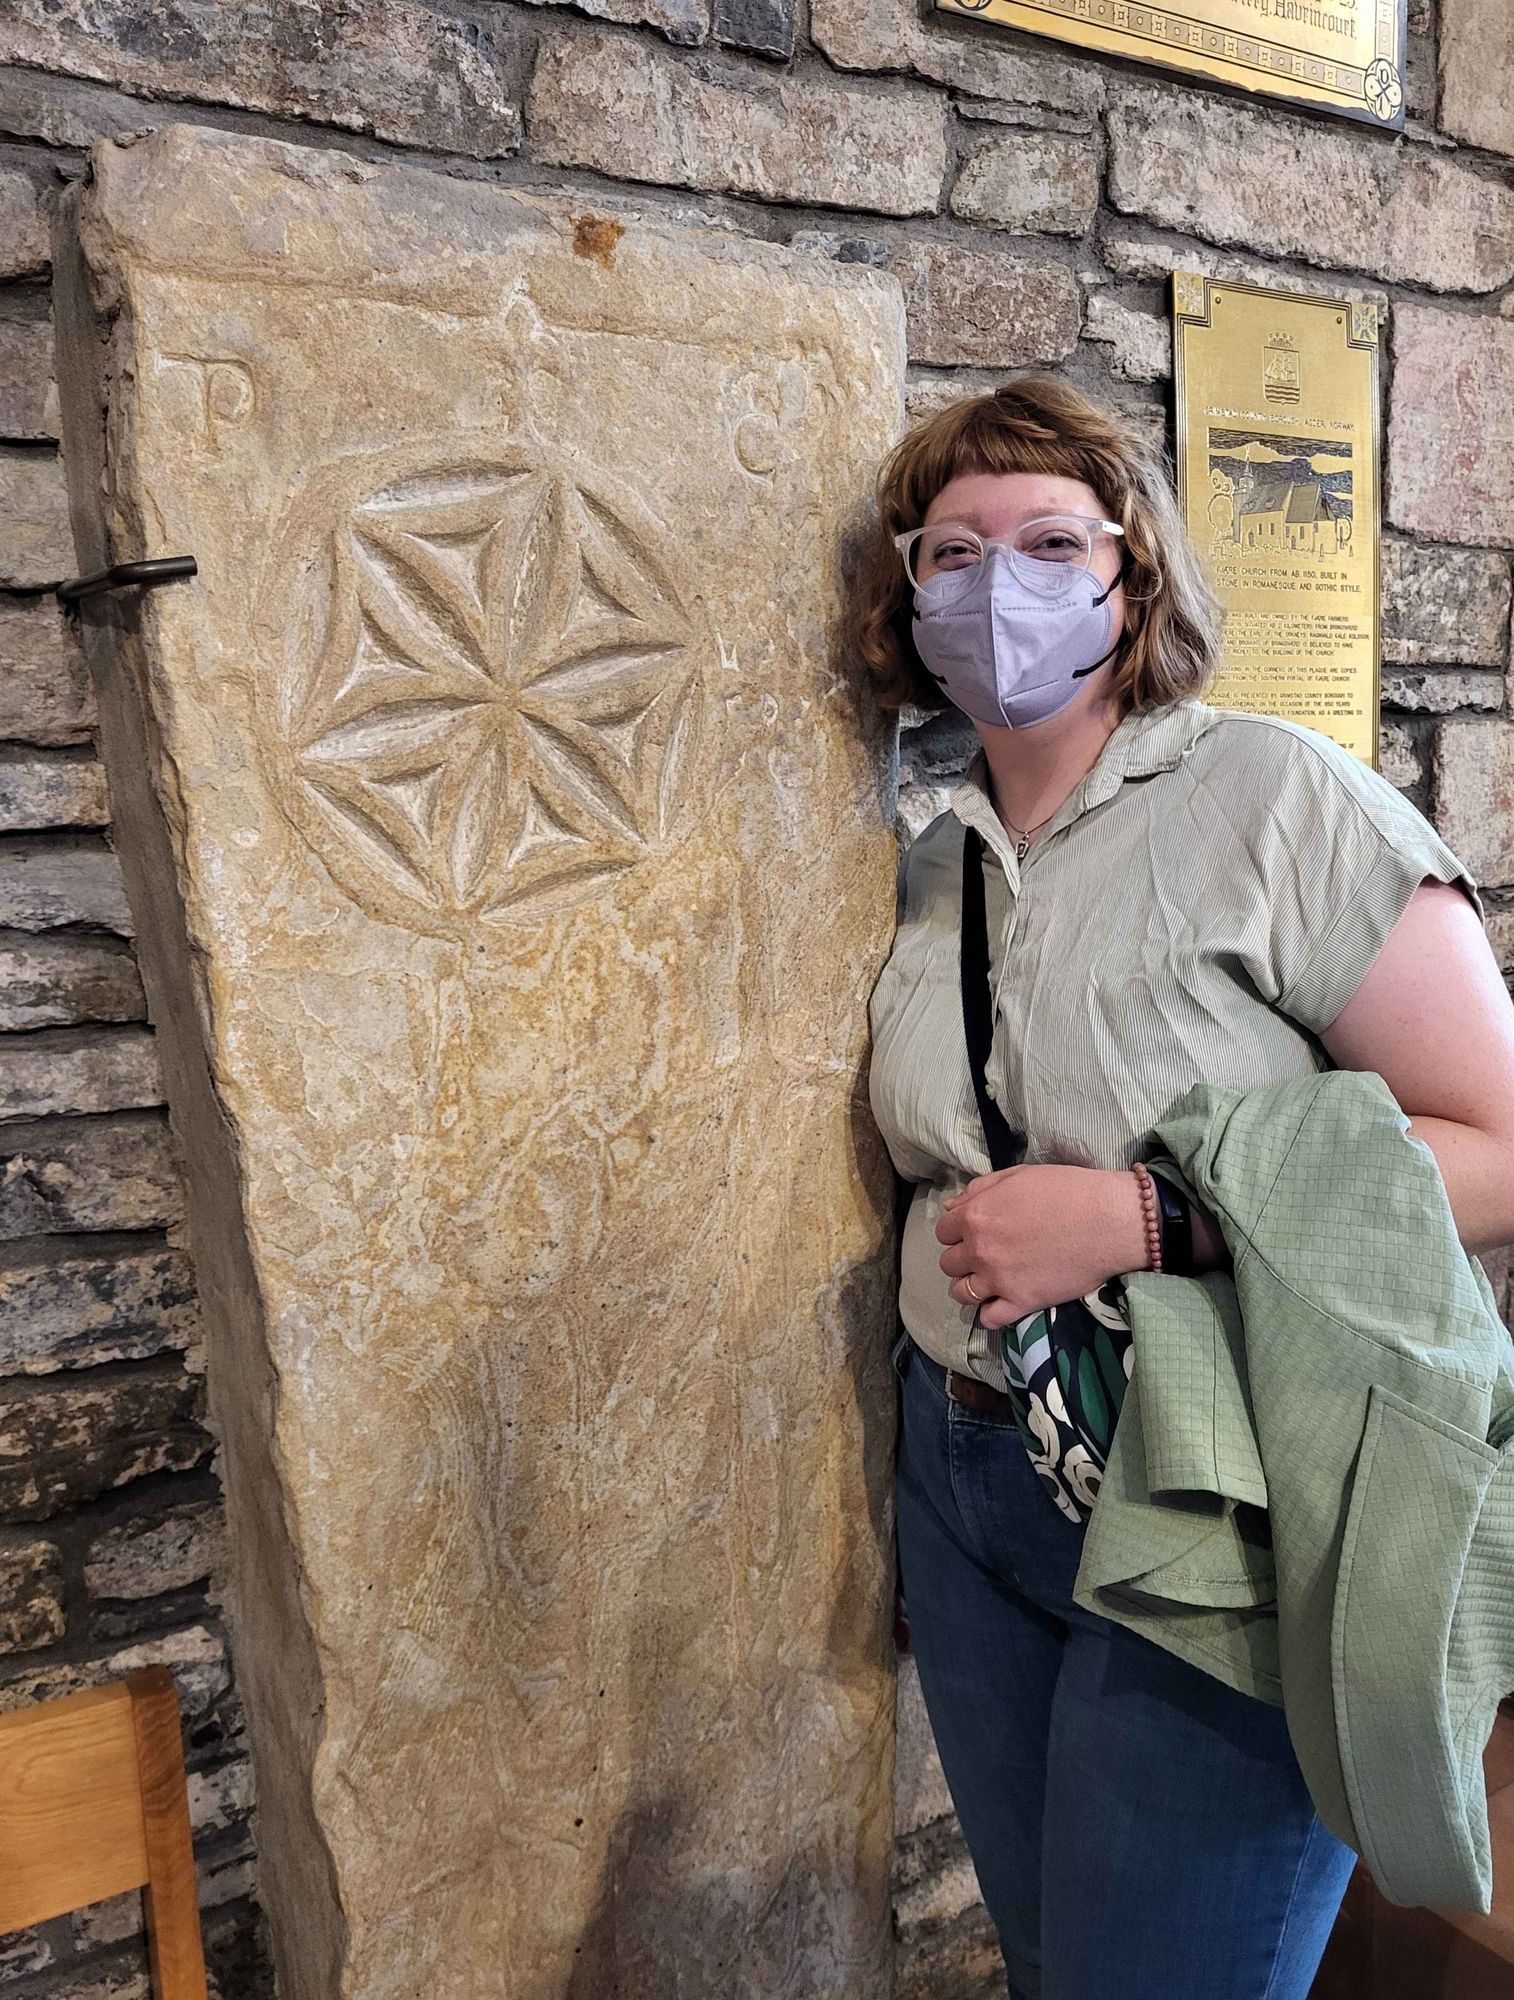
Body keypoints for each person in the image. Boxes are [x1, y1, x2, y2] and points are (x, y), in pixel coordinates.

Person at [855, 375, 1514, 2000]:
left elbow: (1500, 1142)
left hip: (1223, 1480)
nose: (992, 584)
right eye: (950, 552)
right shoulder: (925, 855)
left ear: (1127, 578)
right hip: (970, 1469)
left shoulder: (1274, 801)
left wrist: (1147, 1217)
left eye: (1046, 541)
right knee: (1051, 1964)